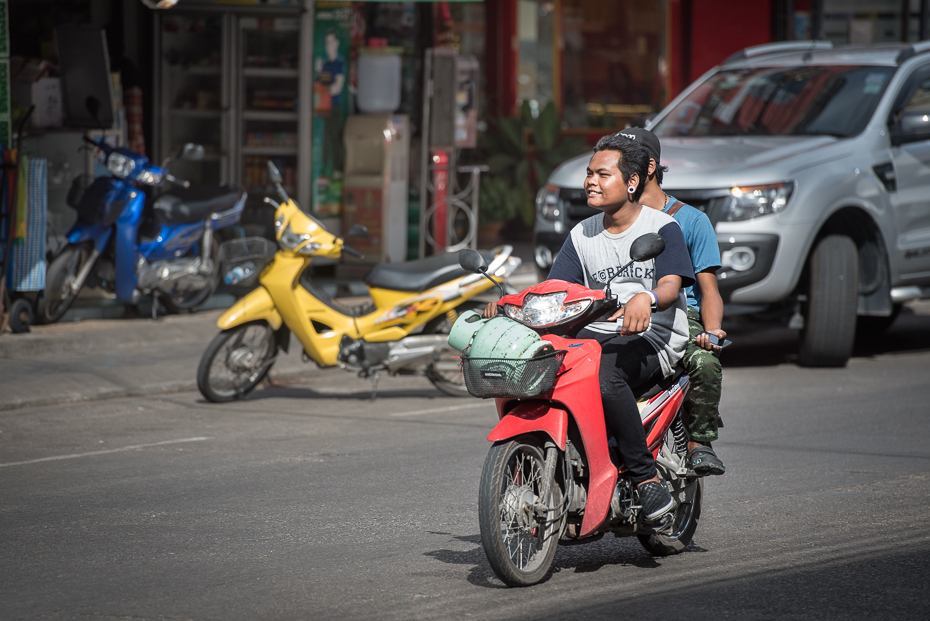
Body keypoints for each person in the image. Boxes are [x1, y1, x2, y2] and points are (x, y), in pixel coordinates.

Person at [485, 134, 695, 523]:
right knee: (543, 366)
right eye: (588, 173)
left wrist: (644, 299)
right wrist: (508, 305)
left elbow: (670, 286)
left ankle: (645, 477)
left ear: (632, 182)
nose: (590, 182)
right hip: (596, 336)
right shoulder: (581, 234)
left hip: (652, 338)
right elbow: (554, 290)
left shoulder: (662, 228)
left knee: (602, 376)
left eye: (602, 173)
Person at [619, 127, 726, 476]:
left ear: (648, 168)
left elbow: (708, 290)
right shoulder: (611, 220)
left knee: (705, 364)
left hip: (682, 315)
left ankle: (699, 443)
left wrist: (712, 331)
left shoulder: (692, 221)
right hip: (620, 315)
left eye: (622, 162)